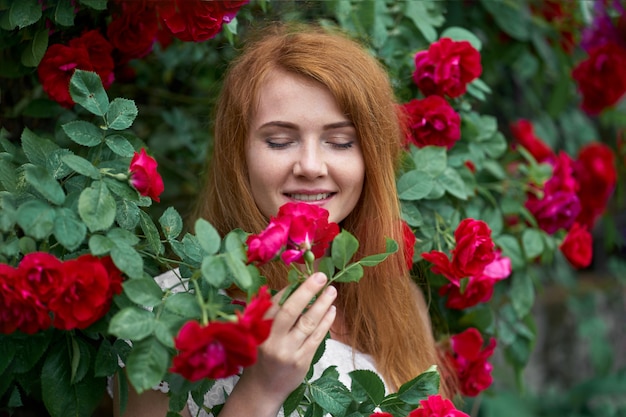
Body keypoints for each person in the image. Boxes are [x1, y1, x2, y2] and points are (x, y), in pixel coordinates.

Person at [116, 22, 455, 417]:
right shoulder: (168, 312)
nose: (311, 166)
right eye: (279, 141)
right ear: (237, 153)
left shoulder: (399, 299)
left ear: (370, 159)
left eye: (341, 141)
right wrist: (261, 390)